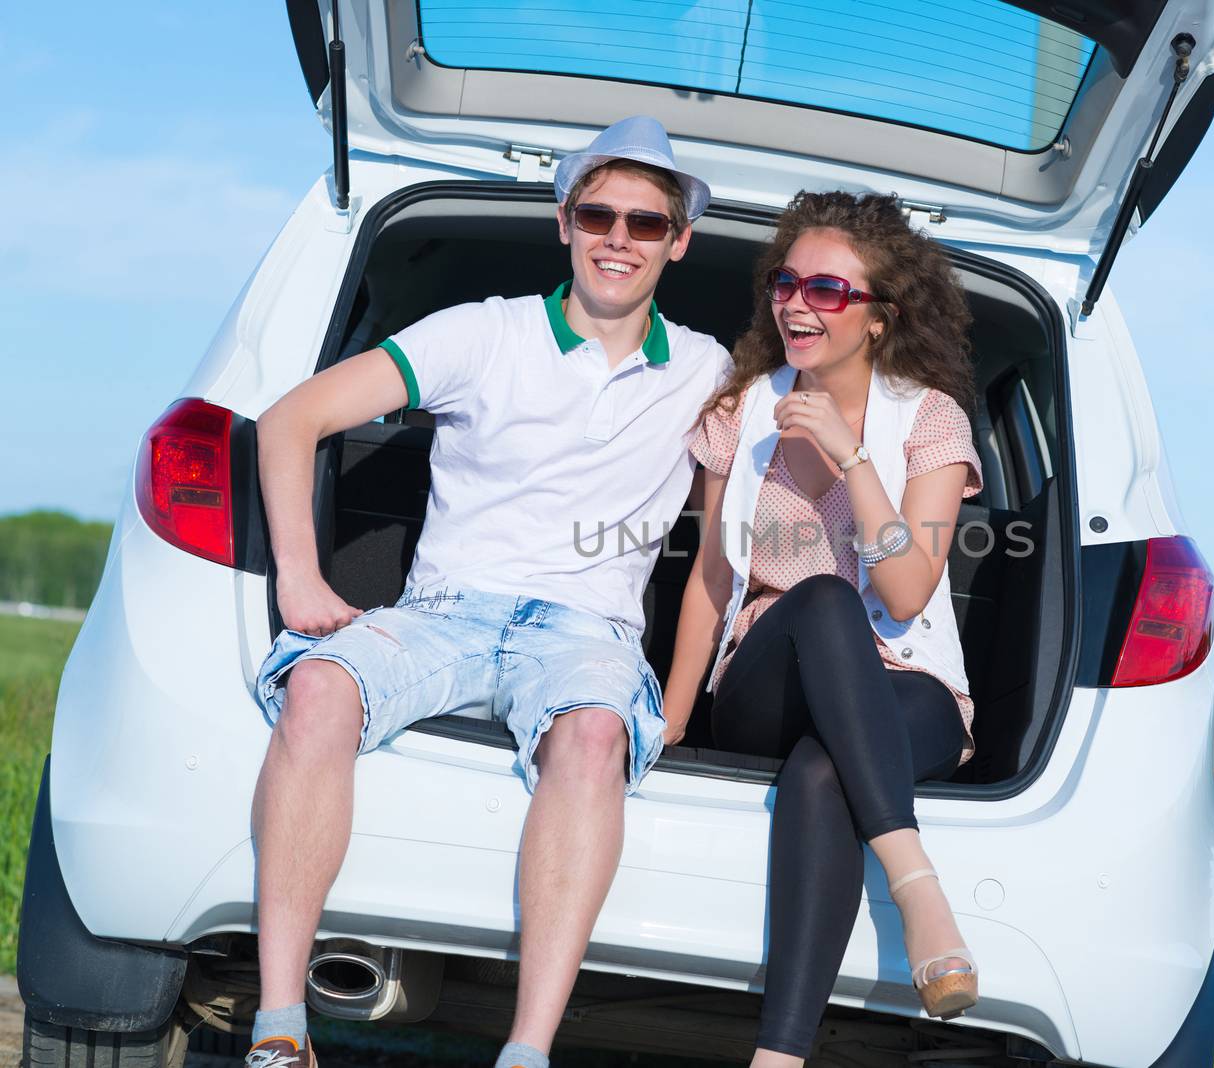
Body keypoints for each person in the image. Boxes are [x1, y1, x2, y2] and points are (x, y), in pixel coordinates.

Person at [244, 117, 728, 1068]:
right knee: (317, 688)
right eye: (597, 214)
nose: (617, 238)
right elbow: (290, 420)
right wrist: (299, 576)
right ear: (564, 223)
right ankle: (278, 1026)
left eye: (643, 221)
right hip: (444, 617)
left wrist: (672, 703)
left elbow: (730, 540)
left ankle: (527, 1053)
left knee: (594, 734)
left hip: (585, 634)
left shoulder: (710, 371)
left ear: (678, 241)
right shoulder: (482, 331)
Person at [662, 191, 984, 1066]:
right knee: (823, 601)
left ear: (880, 318)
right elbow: (712, 574)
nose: (798, 303)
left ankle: (779, 1057)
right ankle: (916, 883)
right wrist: (675, 716)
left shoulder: (930, 420)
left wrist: (852, 457)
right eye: (787, 281)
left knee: (821, 771)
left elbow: (909, 589)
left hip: (904, 681)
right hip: (768, 676)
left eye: (830, 290)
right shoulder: (742, 409)